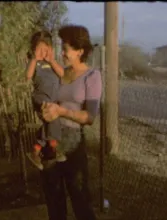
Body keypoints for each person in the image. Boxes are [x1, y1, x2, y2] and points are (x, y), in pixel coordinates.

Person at [40, 25, 102, 220]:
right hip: (53, 138)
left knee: (80, 199)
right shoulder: (63, 72)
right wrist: (48, 109)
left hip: (73, 143)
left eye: (65, 48)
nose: (62, 52)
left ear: (80, 51)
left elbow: (90, 117)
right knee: (54, 197)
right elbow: (56, 99)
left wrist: (61, 111)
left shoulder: (92, 76)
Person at [26, 30, 66, 170]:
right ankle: (54, 146)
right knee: (53, 116)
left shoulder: (54, 63)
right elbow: (28, 75)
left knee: (48, 123)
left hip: (53, 100)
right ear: (34, 49)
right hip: (40, 99)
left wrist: (52, 60)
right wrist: (34, 59)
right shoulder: (35, 63)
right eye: (40, 49)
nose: (43, 52)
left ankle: (35, 150)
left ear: (51, 49)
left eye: (46, 49)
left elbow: (63, 74)